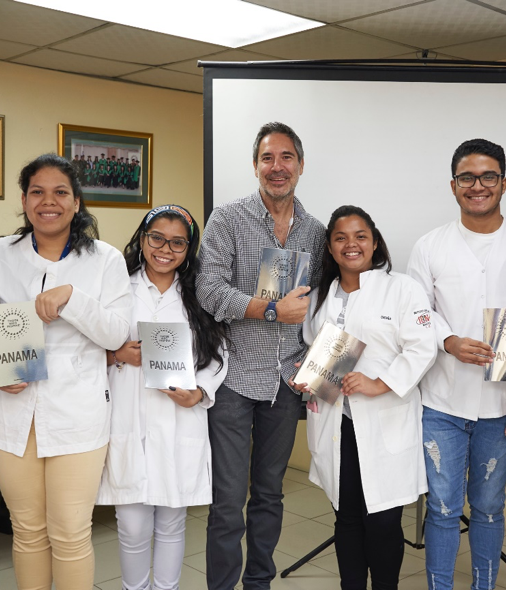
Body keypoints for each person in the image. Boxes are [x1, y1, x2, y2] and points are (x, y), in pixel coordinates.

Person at [0, 153, 132, 590]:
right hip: (10, 409)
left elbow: (117, 333)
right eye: (37, 192)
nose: (48, 201)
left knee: (70, 533)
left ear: (76, 202)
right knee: (27, 530)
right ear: (24, 200)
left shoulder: (105, 259)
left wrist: (71, 297)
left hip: (76, 412)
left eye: (60, 192)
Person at [407, 139, 506, 589]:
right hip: (441, 404)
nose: (477, 186)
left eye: (488, 176)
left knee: (489, 507)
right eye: (467, 178)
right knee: (443, 509)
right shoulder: (430, 246)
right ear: (453, 185)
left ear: (504, 183)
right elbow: (418, 313)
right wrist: (448, 341)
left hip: (502, 404)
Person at [196, 121, 325, 589]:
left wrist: (319, 366)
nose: (277, 167)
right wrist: (270, 309)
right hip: (233, 379)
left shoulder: (317, 232)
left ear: (300, 165)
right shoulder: (227, 219)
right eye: (268, 158)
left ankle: (259, 583)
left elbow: (326, 306)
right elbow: (209, 290)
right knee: (228, 502)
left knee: (270, 496)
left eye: (286, 157)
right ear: (255, 166)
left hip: (285, 383)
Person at [291, 205, 437, 589]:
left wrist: (379, 383)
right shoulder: (318, 297)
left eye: (360, 236)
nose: (351, 244)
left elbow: (422, 348)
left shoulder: (402, 288)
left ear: (374, 243)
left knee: (384, 521)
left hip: (385, 419)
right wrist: (307, 375)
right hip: (336, 422)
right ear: (330, 247)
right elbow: (312, 349)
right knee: (347, 519)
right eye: (340, 238)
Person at [98, 204, 229, 590]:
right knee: (132, 525)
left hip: (179, 418)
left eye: (177, 243)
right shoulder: (117, 286)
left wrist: (200, 391)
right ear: (142, 239)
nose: (165, 250)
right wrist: (116, 355)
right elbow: (87, 344)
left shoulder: (199, 295)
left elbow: (221, 353)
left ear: (189, 249)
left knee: (172, 522)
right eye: (157, 238)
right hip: (128, 414)